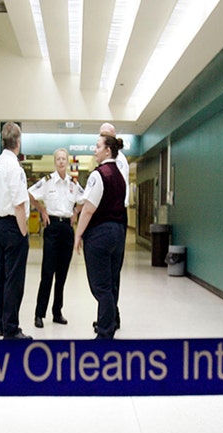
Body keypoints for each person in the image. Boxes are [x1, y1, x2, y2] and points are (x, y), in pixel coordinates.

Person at [74, 132, 127, 339]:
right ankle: (109, 324)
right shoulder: (120, 177)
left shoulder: (100, 174)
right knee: (111, 283)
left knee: (100, 286)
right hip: (118, 232)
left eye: (97, 146)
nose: (94, 150)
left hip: (100, 235)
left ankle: (105, 333)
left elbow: (88, 209)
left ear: (107, 150)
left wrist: (78, 235)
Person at [0, 122, 32, 339]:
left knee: (2, 278)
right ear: (18, 142)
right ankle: (11, 328)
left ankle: (1, 324)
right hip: (14, 227)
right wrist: (24, 232)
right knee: (14, 279)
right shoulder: (14, 167)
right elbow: (19, 203)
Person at [27, 148, 81, 328]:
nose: (61, 162)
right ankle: (39, 314)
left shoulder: (73, 184)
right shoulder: (47, 181)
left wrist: (75, 212)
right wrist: (42, 210)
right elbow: (30, 194)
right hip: (52, 228)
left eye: (64, 159)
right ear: (54, 162)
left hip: (67, 228)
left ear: (67, 161)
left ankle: (57, 312)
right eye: (58, 159)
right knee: (47, 273)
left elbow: (86, 199)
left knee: (62, 275)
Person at [98, 122, 130, 331]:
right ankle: (108, 315)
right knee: (105, 274)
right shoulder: (106, 163)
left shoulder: (119, 162)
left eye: (105, 136)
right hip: (110, 216)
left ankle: (111, 318)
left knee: (112, 272)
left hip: (117, 215)